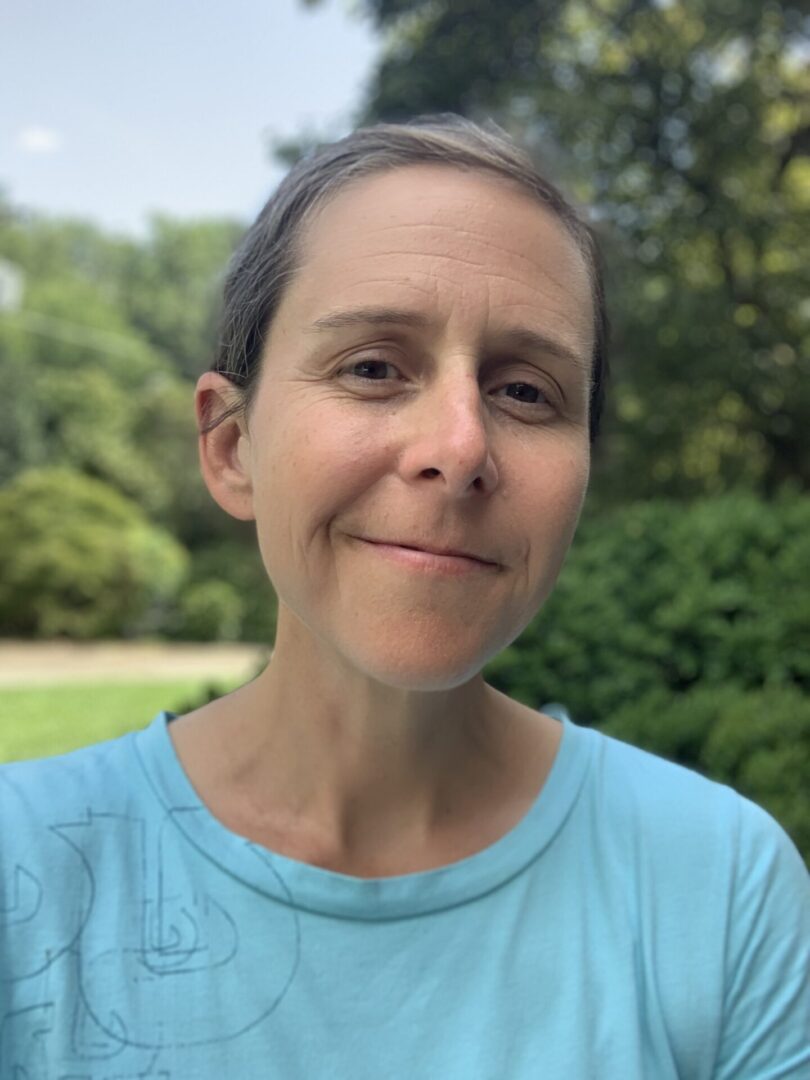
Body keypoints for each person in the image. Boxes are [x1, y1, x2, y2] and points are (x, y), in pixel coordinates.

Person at [1, 115, 807, 1079]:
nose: (460, 447)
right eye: (374, 367)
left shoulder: (719, 887)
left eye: (525, 392)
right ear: (231, 446)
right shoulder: (27, 871)